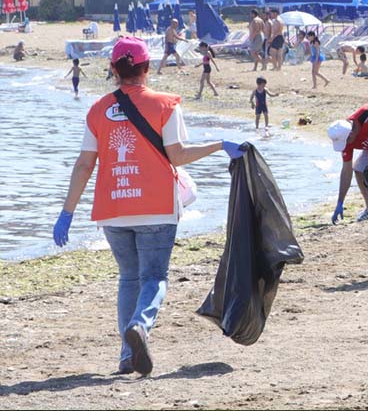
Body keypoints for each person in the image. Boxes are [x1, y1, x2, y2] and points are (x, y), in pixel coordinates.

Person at [52, 36, 242, 376]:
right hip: (156, 206)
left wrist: (67, 212)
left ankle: (127, 356)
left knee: (128, 278)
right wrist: (220, 145)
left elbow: (83, 165)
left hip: (112, 209)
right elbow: (178, 155)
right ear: (147, 68)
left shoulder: (97, 110)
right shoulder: (165, 104)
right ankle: (140, 325)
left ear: (113, 69)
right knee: (153, 276)